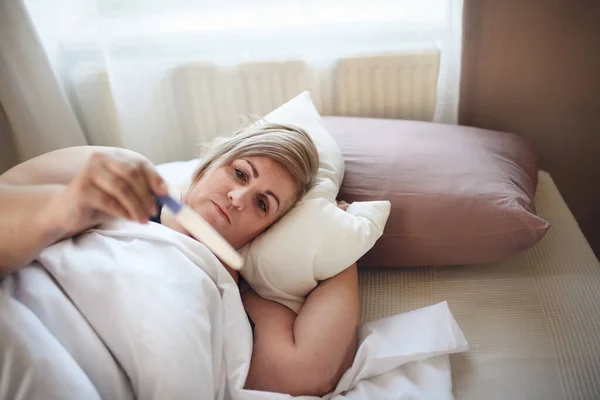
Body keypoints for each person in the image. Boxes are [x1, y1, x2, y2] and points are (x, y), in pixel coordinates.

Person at [0, 122, 359, 396]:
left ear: (266, 231)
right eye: (239, 173)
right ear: (210, 164)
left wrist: (341, 241)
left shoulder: (245, 292)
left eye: (262, 204)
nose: (238, 197)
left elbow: (306, 371)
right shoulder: (128, 179)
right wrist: (64, 211)